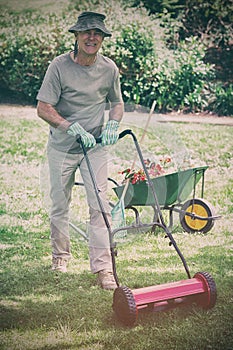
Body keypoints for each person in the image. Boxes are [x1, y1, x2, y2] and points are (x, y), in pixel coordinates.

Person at [36, 11, 124, 290]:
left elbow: (117, 103)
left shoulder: (109, 68)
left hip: (95, 147)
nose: (92, 37)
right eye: (86, 32)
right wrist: (70, 127)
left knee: (100, 206)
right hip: (63, 147)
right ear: (75, 36)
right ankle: (60, 257)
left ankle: (103, 269)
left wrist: (113, 123)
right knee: (60, 204)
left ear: (103, 39)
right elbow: (43, 108)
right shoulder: (58, 67)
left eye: (97, 33)